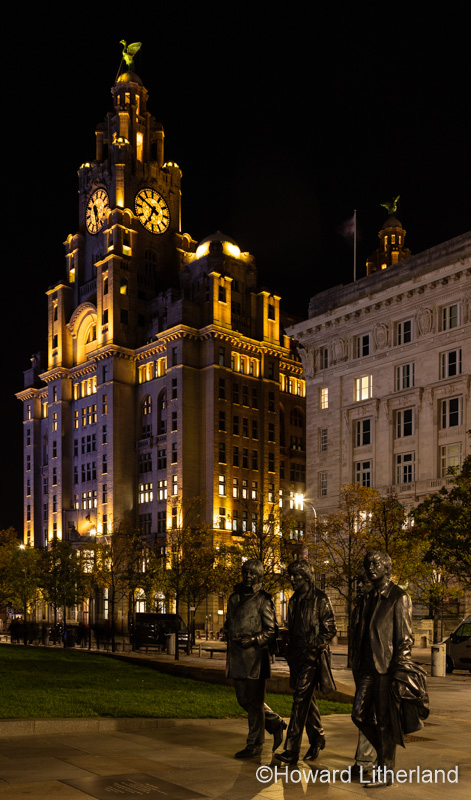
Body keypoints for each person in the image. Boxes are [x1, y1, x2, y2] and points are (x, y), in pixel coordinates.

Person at [352, 551, 416, 787]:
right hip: (367, 667)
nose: (370, 567)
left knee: (384, 721)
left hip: (387, 668)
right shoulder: (368, 597)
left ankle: (386, 770)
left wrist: (399, 670)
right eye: (367, 563)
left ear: (387, 568)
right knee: (359, 714)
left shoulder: (399, 597)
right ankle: (384, 756)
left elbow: (405, 639)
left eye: (375, 564)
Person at [275, 559, 337, 765]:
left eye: (296, 576)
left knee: (300, 701)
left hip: (313, 658)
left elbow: (330, 629)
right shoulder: (293, 601)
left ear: (306, 577)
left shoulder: (321, 599)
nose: (292, 580)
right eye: (290, 576)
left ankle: (291, 750)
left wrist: (314, 648)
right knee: (307, 700)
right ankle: (318, 737)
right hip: (296, 658)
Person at [225, 559, 286, 758]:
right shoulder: (233, 599)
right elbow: (229, 622)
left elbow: (271, 630)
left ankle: (255, 744)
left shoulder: (263, 599)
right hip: (237, 656)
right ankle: (275, 723)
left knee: (255, 701)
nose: (248, 577)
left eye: (252, 574)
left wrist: (252, 639)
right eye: (246, 573)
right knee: (243, 700)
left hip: (255, 659)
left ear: (259, 576)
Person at [350, 573, 376, 780]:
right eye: (359, 583)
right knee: (363, 714)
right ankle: (366, 758)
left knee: (364, 713)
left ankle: (366, 759)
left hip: (377, 668)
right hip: (362, 667)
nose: (360, 586)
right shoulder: (359, 606)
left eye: (364, 582)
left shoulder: (382, 605)